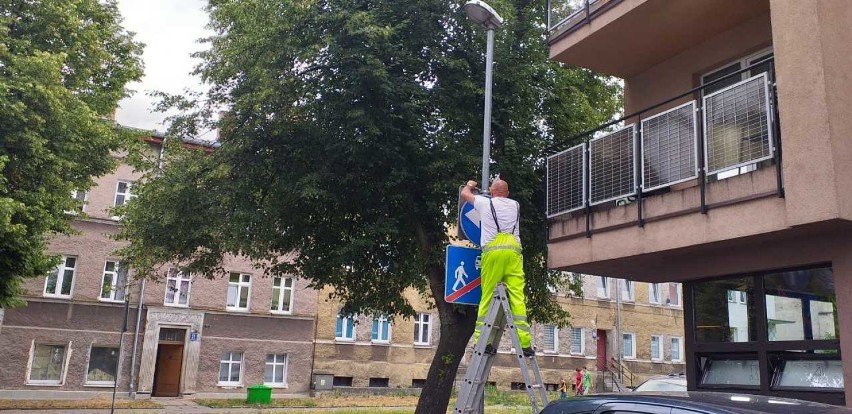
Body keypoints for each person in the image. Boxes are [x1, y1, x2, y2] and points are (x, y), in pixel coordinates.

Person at [461, 178, 532, 356]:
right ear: (507, 194)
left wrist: (471, 185)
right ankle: (524, 343)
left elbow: (465, 194)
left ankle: (482, 341)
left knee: (487, 296)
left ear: (492, 192)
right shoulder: (515, 205)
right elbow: (502, 199)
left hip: (492, 253)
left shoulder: (485, 203)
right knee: (517, 296)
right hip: (514, 254)